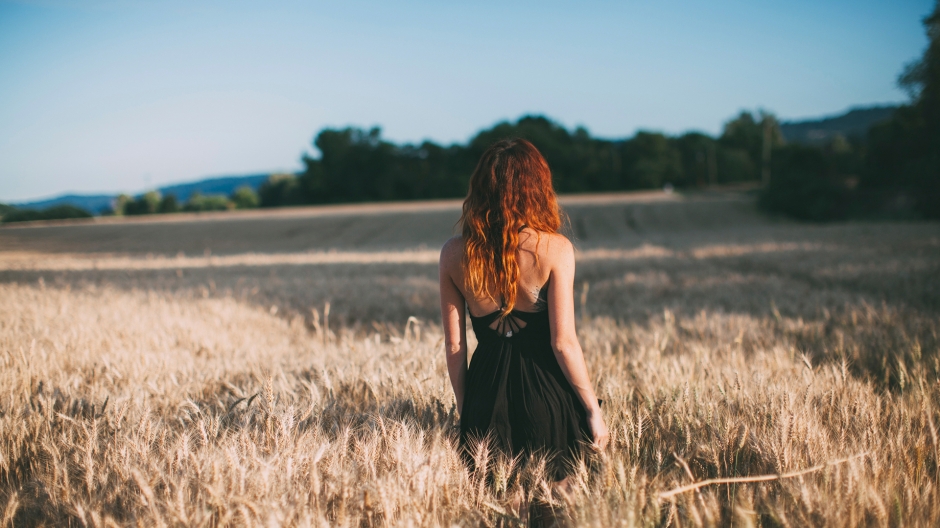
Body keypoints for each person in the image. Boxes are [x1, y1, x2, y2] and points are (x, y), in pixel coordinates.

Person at [438, 138, 610, 488]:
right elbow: (563, 343)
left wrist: (467, 410)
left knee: (501, 507)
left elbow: (455, 347)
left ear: (481, 189)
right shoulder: (555, 249)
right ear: (537, 188)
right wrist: (593, 410)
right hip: (546, 394)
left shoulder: (454, 253)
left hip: (484, 394)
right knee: (556, 505)